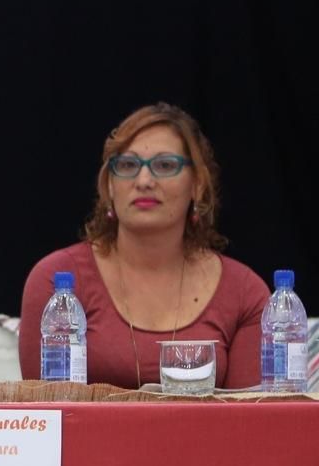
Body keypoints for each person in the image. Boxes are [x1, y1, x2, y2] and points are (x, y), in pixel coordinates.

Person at [20, 104, 268, 389]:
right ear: (110, 187)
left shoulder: (245, 293)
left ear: (197, 185)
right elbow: (47, 417)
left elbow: (250, 422)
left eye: (165, 165)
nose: (144, 181)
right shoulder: (58, 280)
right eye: (127, 165)